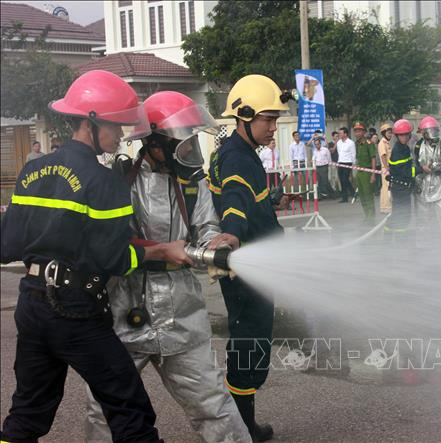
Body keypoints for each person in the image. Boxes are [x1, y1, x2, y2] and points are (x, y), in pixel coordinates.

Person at [0, 70, 192, 443]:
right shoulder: (103, 182)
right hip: (74, 311)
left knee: (27, 413)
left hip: (32, 304)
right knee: (130, 409)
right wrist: (161, 252)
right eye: (117, 126)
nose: (121, 135)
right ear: (91, 122)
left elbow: (7, 246)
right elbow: (114, 258)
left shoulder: (32, 170)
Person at [83, 91, 251, 443]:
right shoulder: (118, 181)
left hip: (183, 313)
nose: (190, 148)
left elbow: (206, 227)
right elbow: (108, 242)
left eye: (193, 139)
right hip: (126, 311)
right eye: (183, 140)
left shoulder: (194, 183)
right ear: (155, 142)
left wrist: (216, 244)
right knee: (105, 408)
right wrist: (160, 251)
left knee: (213, 404)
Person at [206, 74, 291, 442]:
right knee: (248, 343)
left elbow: (246, 197)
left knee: (250, 341)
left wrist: (270, 201)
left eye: (275, 119)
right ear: (243, 116)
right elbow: (235, 200)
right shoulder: (237, 159)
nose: (274, 127)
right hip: (245, 268)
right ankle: (242, 430)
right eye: (268, 120)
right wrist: (234, 233)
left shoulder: (239, 153)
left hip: (253, 265)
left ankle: (243, 425)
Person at [414, 116, 441, 249]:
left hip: (440, 186)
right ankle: (423, 246)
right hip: (423, 186)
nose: (433, 135)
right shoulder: (418, 146)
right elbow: (415, 163)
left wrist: (435, 167)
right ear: (423, 133)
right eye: (429, 131)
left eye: (435, 131)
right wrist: (421, 170)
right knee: (422, 220)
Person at [386, 119, 420, 238]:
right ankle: (401, 241)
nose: (404, 137)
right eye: (401, 135)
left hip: (402, 187)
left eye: (406, 134)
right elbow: (405, 171)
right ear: (397, 135)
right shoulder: (398, 150)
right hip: (400, 188)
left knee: (397, 214)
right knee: (403, 216)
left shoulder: (403, 148)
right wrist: (421, 169)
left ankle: (388, 236)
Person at [353, 122, 376, 222]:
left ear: (363, 132)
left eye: (359, 131)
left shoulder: (369, 143)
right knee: (362, 195)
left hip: (367, 172)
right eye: (355, 131)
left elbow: (373, 159)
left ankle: (371, 217)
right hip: (360, 172)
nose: (357, 133)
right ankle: (367, 215)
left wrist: (373, 174)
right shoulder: (357, 144)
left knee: (368, 195)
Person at [335, 127, 356, 203]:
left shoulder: (351, 143)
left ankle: (353, 193)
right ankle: (345, 197)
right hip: (340, 162)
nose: (339, 134)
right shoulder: (338, 143)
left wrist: (353, 164)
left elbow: (353, 154)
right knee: (342, 180)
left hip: (348, 163)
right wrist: (338, 162)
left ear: (345, 134)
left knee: (345, 179)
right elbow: (339, 153)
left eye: (341, 133)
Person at [377, 123, 393, 214]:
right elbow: (383, 156)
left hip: (387, 168)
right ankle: (386, 207)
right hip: (386, 168)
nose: (390, 135)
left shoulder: (386, 142)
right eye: (388, 133)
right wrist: (387, 169)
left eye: (391, 133)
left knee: (385, 188)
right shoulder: (382, 143)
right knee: (387, 188)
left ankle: (385, 207)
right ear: (383, 133)